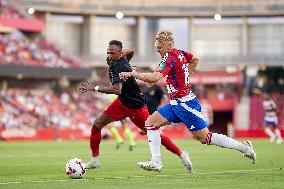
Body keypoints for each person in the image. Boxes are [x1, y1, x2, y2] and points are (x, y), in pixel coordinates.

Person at [120, 30, 256, 172]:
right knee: (150, 123)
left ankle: (244, 148)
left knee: (205, 138)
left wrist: (133, 74)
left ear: (169, 44)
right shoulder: (180, 53)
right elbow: (195, 59)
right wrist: (186, 76)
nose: (158, 50)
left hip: (185, 104)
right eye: (156, 47)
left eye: (160, 47)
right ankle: (156, 161)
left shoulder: (169, 57)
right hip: (175, 104)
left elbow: (154, 78)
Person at [79, 40, 192, 171]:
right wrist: (128, 61)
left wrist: (95, 87)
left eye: (112, 53)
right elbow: (131, 51)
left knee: (156, 135)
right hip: (121, 103)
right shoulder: (114, 60)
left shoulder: (121, 67)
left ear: (120, 53)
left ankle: (182, 155)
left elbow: (117, 90)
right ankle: (95, 161)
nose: (109, 55)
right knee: (97, 124)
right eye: (108, 52)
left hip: (136, 107)